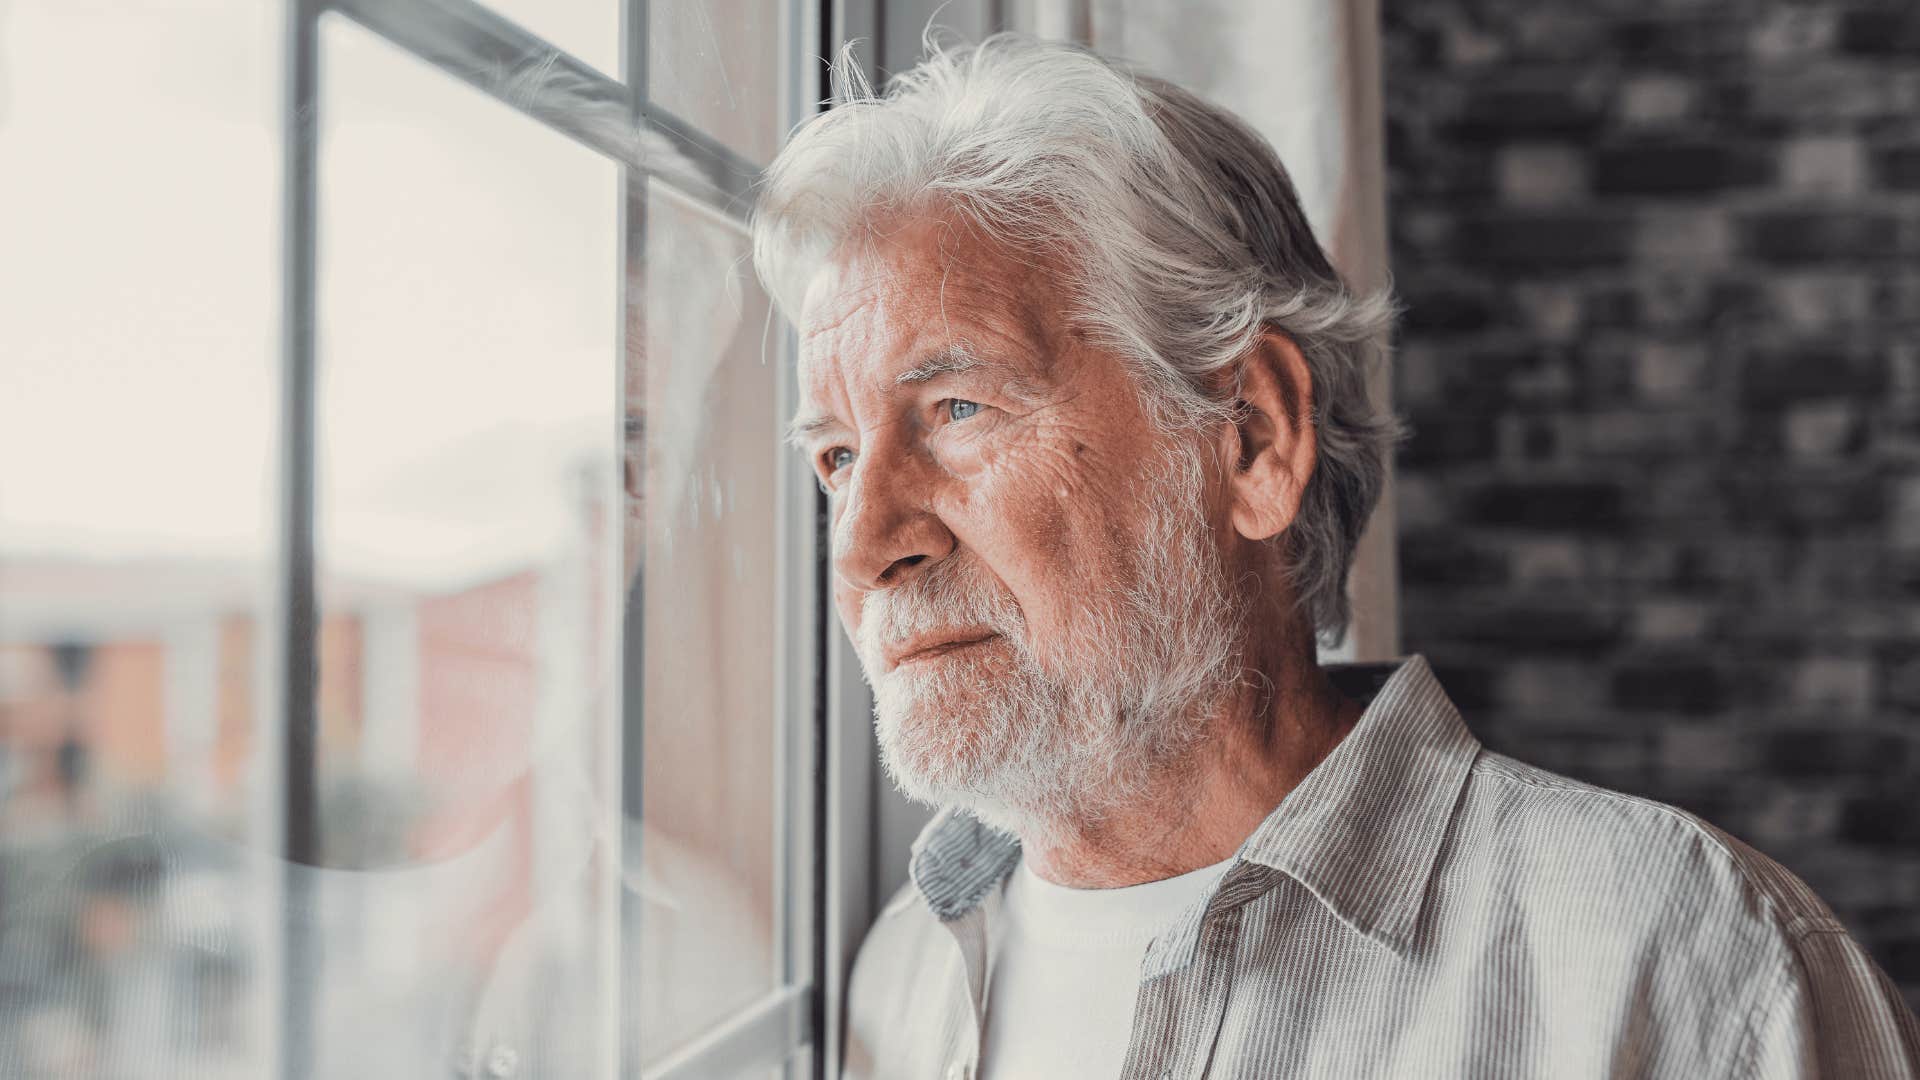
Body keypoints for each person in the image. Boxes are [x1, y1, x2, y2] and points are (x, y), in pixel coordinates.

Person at [751, 33, 1920, 1079]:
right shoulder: (899, 979)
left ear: (1253, 438)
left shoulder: (1687, 967)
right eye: (838, 458)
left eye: (956, 408)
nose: (864, 547)